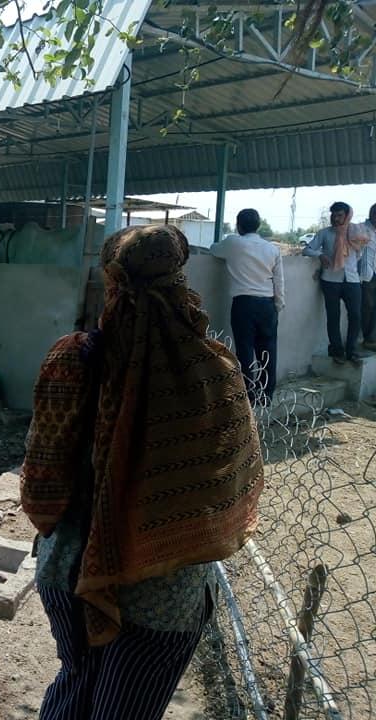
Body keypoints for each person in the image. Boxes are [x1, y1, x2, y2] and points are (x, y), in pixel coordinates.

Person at [21, 224, 264, 720]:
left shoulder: (71, 359)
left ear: (109, 282)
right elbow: (231, 490)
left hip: (69, 575)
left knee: (75, 684)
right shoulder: (215, 373)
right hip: (166, 599)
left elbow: (41, 490)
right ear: (180, 279)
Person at [210, 208, 284, 405]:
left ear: (238, 225)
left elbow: (214, 249)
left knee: (245, 350)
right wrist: (278, 304)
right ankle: (266, 395)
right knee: (268, 350)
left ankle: (248, 395)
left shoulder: (234, 243)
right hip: (267, 303)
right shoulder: (272, 249)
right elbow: (279, 280)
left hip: (244, 303)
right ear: (258, 225)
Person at [302, 202, 369, 364]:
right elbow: (307, 249)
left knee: (355, 315)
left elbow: (360, 252)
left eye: (339, 215)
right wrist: (320, 255)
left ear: (347, 216)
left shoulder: (355, 232)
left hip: (352, 279)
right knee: (333, 316)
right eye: (333, 215)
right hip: (330, 280)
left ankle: (351, 351)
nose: (335, 218)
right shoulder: (325, 233)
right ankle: (336, 351)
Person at [358, 203, 376, 351]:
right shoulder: (360, 229)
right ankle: (367, 338)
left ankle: (372, 339)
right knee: (367, 306)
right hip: (365, 274)